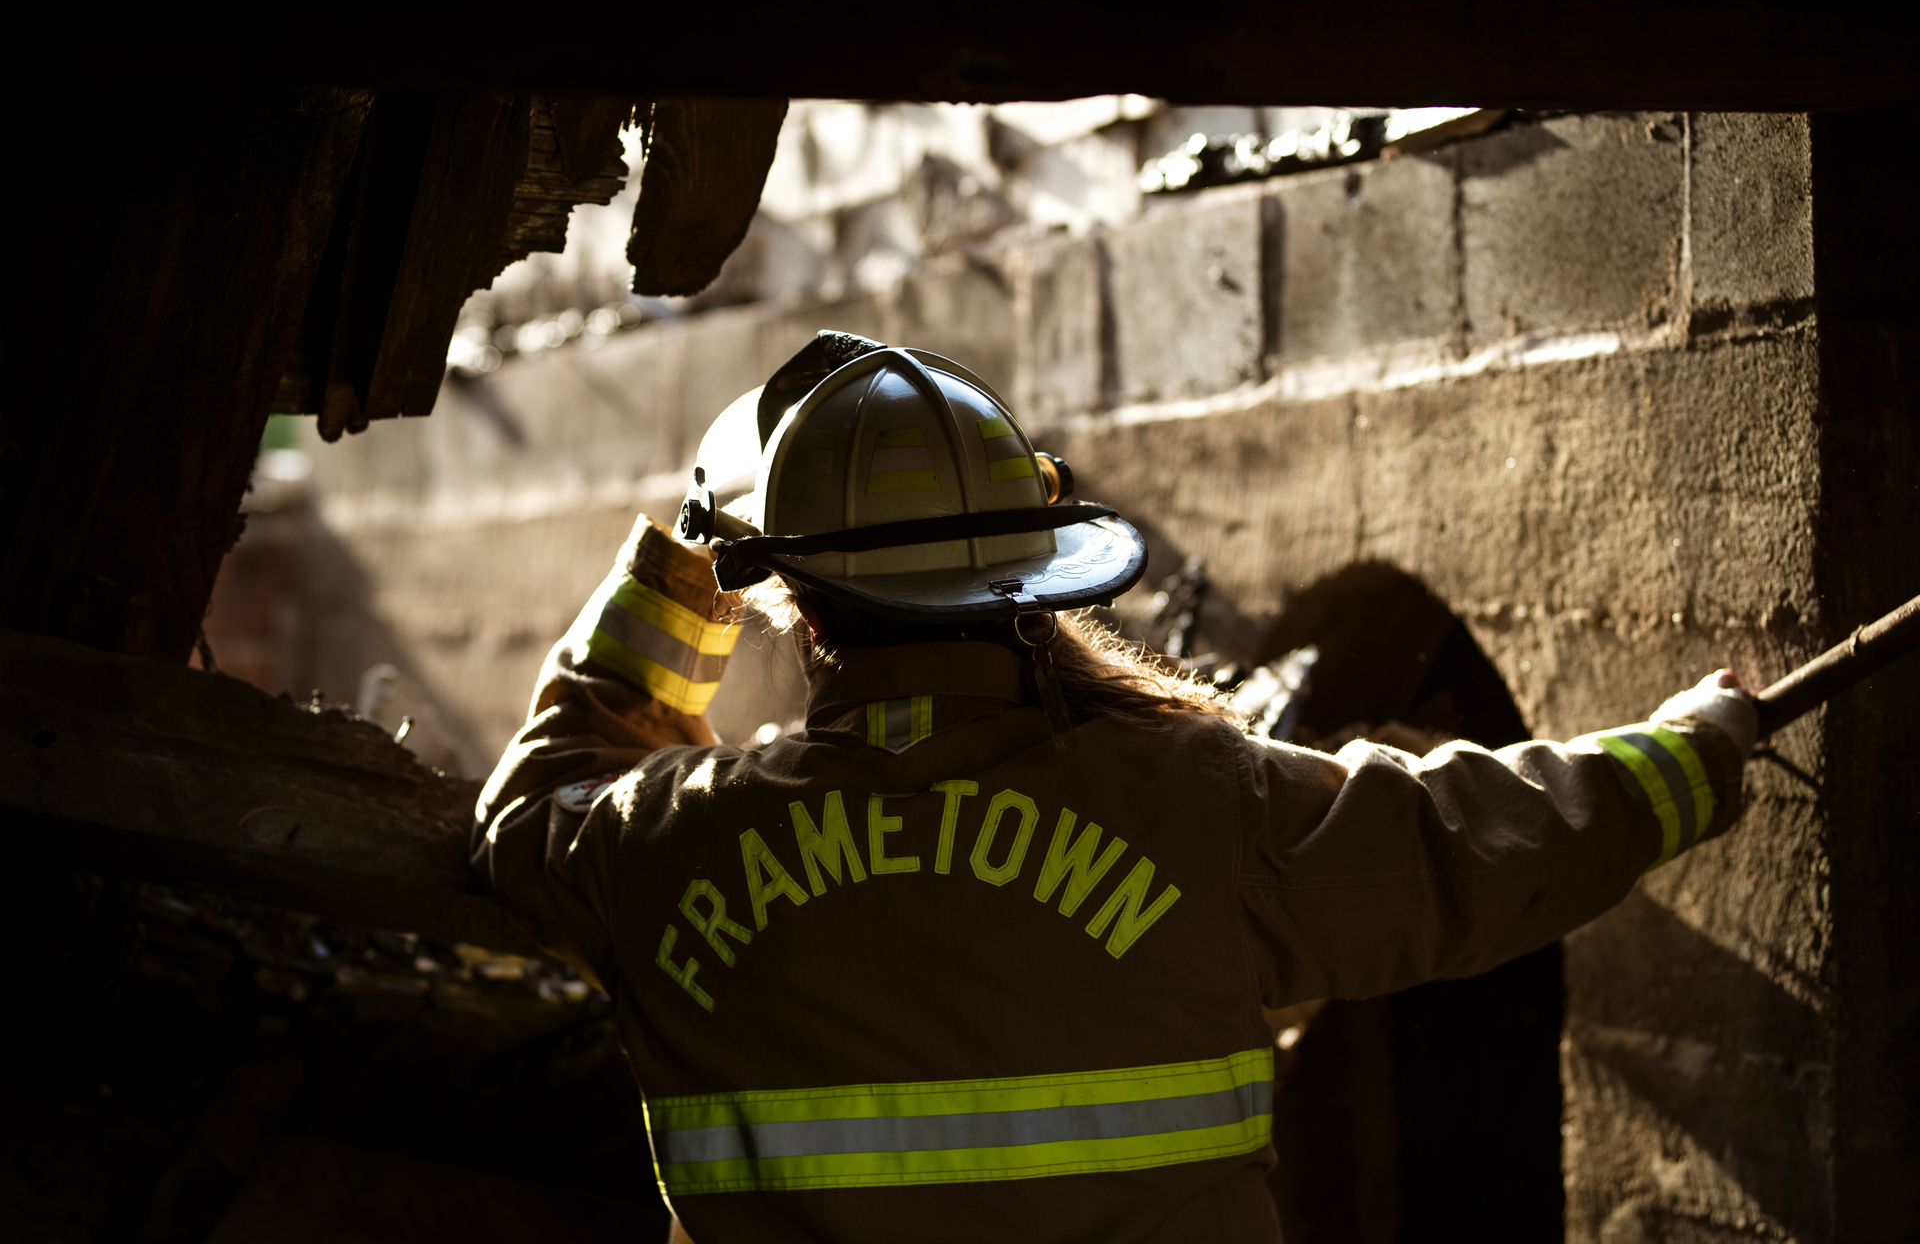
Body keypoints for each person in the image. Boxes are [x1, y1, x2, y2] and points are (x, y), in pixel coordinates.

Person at [473, 333, 1757, 1243]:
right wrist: (1693, 751)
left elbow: (531, 805)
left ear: (795, 599)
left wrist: (685, 563)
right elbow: (1471, 840)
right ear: (1032, 573)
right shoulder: (1198, 800)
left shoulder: (664, 844)